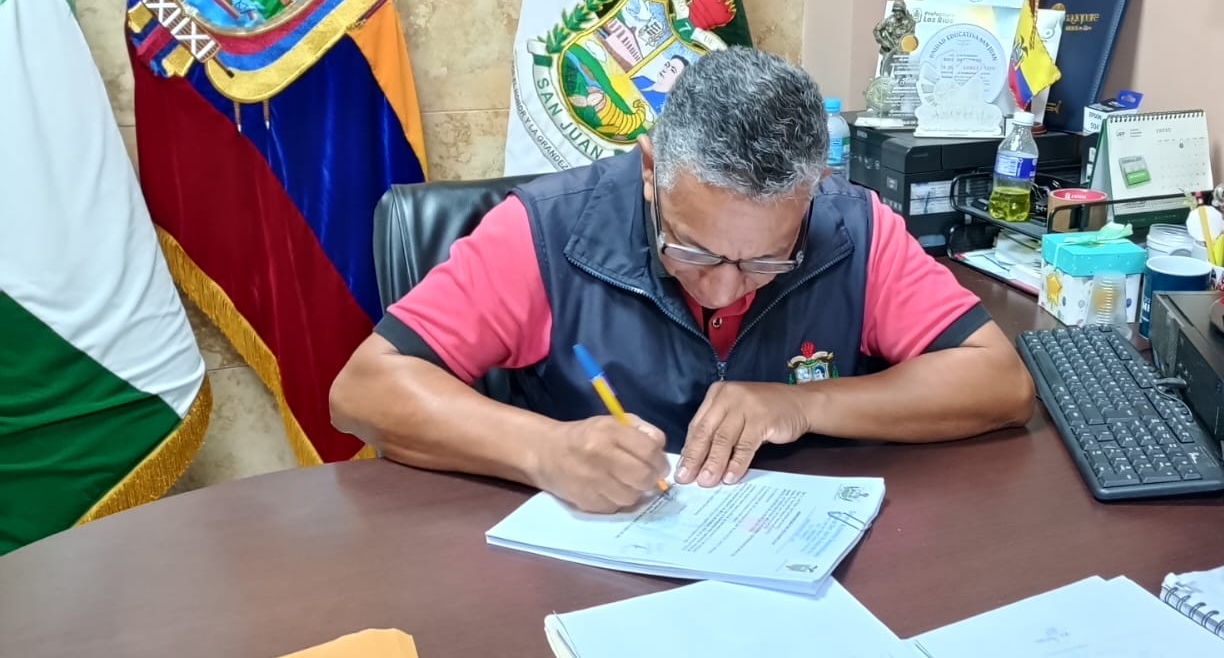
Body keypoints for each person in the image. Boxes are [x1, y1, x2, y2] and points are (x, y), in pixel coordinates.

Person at [329, 47, 1035, 513]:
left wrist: (803, 406)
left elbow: (998, 384)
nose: (724, 289)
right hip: (590, 566)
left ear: (813, 191)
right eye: (693, 251)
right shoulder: (545, 232)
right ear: (649, 172)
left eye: (765, 260)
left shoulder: (852, 228)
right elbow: (363, 390)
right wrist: (543, 451)